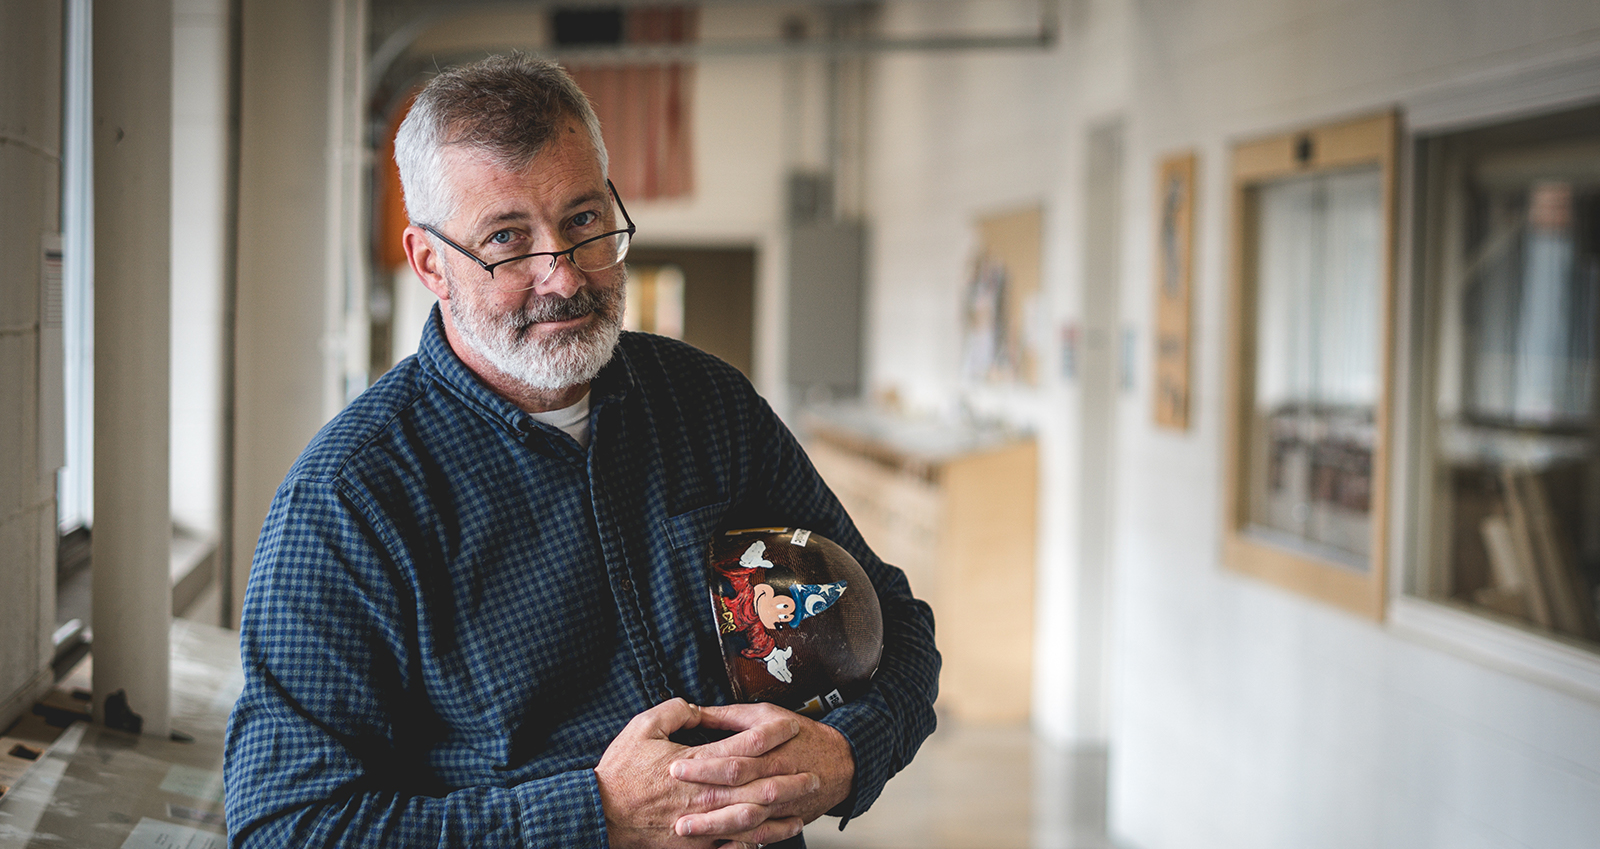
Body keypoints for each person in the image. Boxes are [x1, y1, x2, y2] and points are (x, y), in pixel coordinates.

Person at [223, 53, 940, 848]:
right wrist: (593, 816)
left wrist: (847, 753)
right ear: (430, 261)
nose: (561, 275)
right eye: (506, 238)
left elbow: (895, 621)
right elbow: (286, 824)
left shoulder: (707, 405)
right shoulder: (350, 499)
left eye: (584, 221)